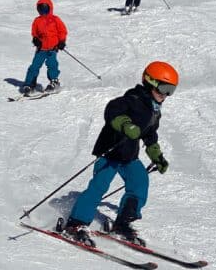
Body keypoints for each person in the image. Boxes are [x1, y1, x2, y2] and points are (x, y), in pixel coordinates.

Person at [62, 61, 179, 246]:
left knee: (140, 182)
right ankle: (75, 224)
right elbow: (112, 110)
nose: (166, 95)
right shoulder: (132, 99)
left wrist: (157, 156)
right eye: (164, 88)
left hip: (129, 155)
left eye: (171, 90)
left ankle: (123, 223)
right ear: (150, 82)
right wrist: (125, 124)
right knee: (99, 186)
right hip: (110, 152)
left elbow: (149, 134)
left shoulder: (154, 110)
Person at [22, 0, 68, 95]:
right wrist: (36, 40)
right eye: (40, 9)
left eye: (45, 9)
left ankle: (54, 81)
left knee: (52, 65)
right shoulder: (37, 21)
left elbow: (62, 31)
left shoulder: (55, 19)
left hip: (52, 48)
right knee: (34, 66)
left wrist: (62, 42)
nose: (43, 11)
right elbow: (35, 33)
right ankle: (29, 84)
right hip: (41, 49)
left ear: (50, 8)